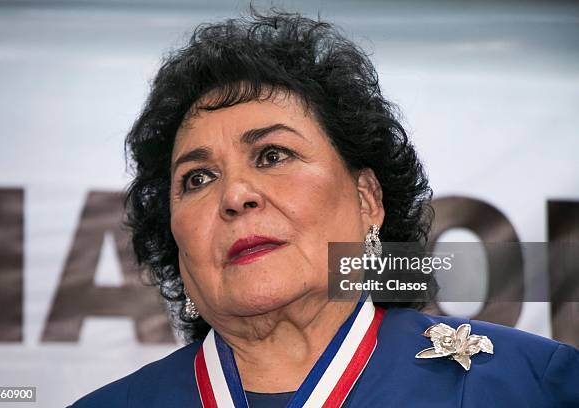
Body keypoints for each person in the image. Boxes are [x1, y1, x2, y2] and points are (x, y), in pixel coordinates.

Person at [70, 8, 579, 408]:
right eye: (197, 178)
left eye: (273, 155)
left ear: (366, 199)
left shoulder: (531, 385)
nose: (234, 196)